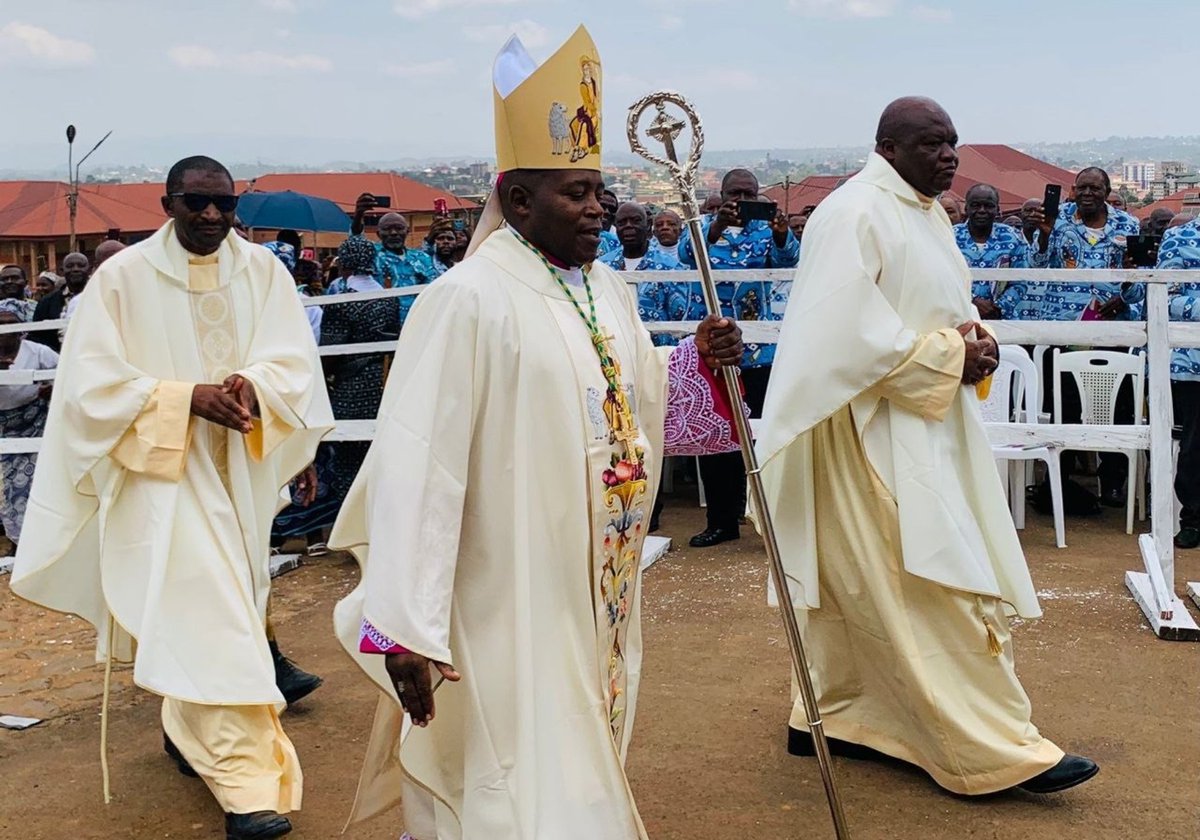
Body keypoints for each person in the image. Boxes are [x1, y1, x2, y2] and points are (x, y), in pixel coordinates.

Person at [329, 26, 744, 840]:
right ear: (517, 201)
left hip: (593, 580)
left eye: (599, 191)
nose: (599, 208)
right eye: (575, 192)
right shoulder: (468, 300)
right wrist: (405, 625)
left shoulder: (607, 290)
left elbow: (628, 391)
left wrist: (693, 357)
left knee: (573, 747)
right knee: (510, 768)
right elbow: (420, 462)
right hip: (501, 587)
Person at [757, 96, 1097, 798]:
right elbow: (841, 334)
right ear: (888, 145)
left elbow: (937, 301)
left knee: (876, 582)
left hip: (923, 421)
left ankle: (835, 715)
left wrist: (974, 336)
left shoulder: (921, 211)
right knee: (924, 581)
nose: (948, 156)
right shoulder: (853, 213)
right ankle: (987, 749)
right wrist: (950, 356)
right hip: (866, 436)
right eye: (932, 143)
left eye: (953, 143)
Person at [11, 155, 333, 840]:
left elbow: (293, 364)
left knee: (230, 603)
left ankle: (185, 731)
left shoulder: (263, 272)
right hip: (158, 474)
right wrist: (186, 398)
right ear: (167, 203)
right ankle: (248, 789)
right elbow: (90, 384)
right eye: (196, 202)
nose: (212, 216)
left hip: (239, 470)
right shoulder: (121, 280)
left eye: (223, 205)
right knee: (207, 612)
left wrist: (255, 391)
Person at [678, 168, 800, 548]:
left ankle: (775, 522)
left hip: (760, 352)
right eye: (736, 193)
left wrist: (780, 234)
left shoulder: (766, 232)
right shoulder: (704, 229)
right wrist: (714, 226)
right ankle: (722, 521)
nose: (743, 200)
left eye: (750, 194)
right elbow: (686, 254)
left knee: (769, 437)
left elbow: (790, 259)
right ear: (723, 193)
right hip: (716, 353)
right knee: (718, 441)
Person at [1018, 167, 1143, 506]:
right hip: (1065, 326)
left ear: (1107, 190)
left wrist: (1122, 298)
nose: (1088, 193)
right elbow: (1036, 264)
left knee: (1117, 408)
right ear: (1073, 191)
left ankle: (1113, 482)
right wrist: (1043, 235)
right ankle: (1061, 486)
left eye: (1095, 187)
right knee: (1065, 406)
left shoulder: (1127, 225)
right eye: (1082, 187)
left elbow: (1136, 279)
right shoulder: (1057, 222)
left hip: (1112, 327)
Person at [1155, 219, 1200, 548]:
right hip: (1192, 364)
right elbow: (1162, 298)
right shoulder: (1180, 237)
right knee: (1195, 446)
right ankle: (1193, 520)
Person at [0, 307, 57, 554]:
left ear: (21, 329)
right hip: (3, 426)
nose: (5, 330)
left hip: (32, 422)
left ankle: (27, 544)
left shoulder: (37, 351)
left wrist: (48, 389)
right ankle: (12, 538)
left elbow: (65, 373)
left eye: (10, 323)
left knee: (29, 484)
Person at [346, 198, 437, 323]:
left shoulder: (422, 258)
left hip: (418, 322)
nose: (393, 233)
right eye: (387, 229)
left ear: (407, 231)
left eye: (399, 228)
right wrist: (358, 215)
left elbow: (433, 289)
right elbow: (355, 242)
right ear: (378, 234)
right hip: (382, 326)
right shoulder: (371, 254)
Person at [953, 183, 1029, 319]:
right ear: (966, 208)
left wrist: (998, 307)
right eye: (975, 205)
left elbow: (1021, 281)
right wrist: (972, 303)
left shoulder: (1013, 238)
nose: (982, 210)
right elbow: (943, 279)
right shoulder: (950, 237)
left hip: (1002, 319)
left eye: (988, 206)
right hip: (959, 317)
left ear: (997, 209)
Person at [30, 252, 89, 353]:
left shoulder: (102, 296)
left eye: (81, 265)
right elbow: (37, 336)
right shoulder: (47, 302)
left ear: (90, 269)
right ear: (62, 271)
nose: (75, 269)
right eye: (70, 266)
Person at [600, 202, 681, 271]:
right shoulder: (603, 266)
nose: (628, 226)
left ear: (648, 224)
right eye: (621, 222)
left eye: (636, 221)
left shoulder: (671, 267)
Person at [598, 188, 620, 256]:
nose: (607, 212)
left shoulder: (621, 240)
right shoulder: (578, 238)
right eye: (602, 206)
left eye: (612, 209)